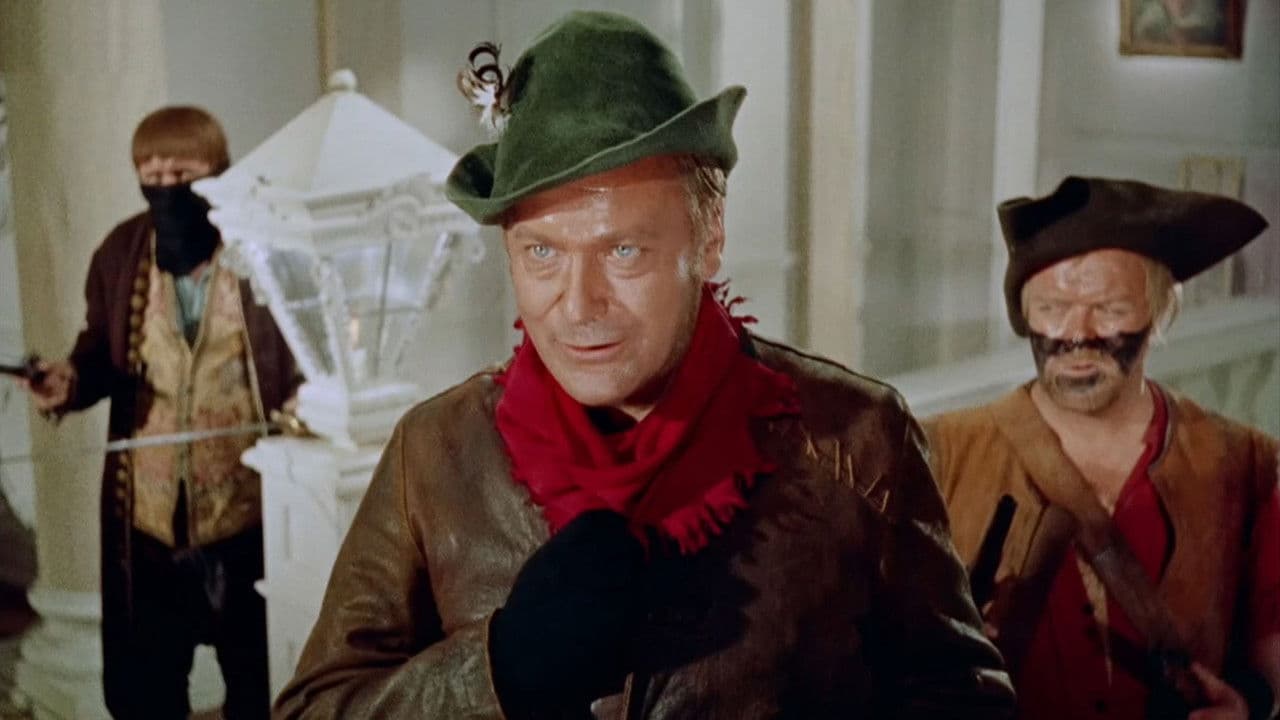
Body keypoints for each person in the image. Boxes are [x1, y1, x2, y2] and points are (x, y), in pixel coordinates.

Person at [273, 11, 1013, 720]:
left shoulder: (858, 438)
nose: (578, 305)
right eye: (542, 253)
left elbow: (961, 698)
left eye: (623, 250)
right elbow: (314, 707)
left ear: (710, 238)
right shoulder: (433, 453)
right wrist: (498, 672)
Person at [925, 176, 1279, 720]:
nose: (1078, 333)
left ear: (1160, 313)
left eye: (1110, 308)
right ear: (1024, 316)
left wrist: (1252, 706)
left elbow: (1271, 645)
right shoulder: (938, 455)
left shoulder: (1246, 464)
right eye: (1053, 307)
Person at [16, 106, 299, 719]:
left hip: (247, 517)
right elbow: (99, 352)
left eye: (183, 174)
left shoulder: (262, 248)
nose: (166, 187)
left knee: (262, 684)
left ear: (217, 171)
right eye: (152, 174)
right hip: (147, 523)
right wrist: (68, 382)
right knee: (146, 689)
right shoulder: (120, 253)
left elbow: (300, 353)